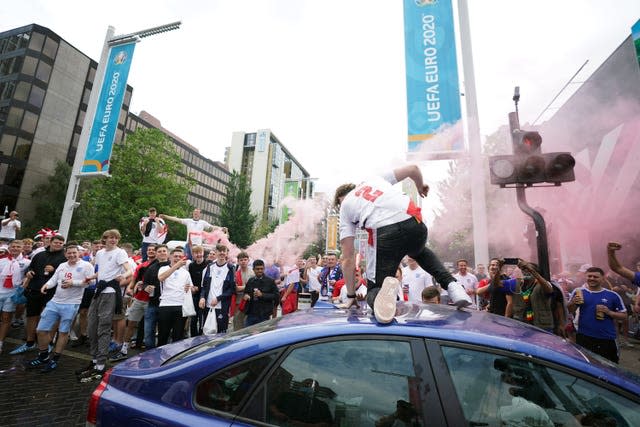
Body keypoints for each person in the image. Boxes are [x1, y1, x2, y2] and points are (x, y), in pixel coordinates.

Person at [334, 164, 471, 323]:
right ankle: (454, 287)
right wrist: (420, 187)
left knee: (374, 287)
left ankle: (383, 298)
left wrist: (351, 295)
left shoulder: (345, 207)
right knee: (418, 252)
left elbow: (347, 258)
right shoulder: (375, 179)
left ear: (341, 201)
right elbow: (413, 169)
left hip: (385, 233)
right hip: (415, 223)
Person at [25, 243, 94, 372]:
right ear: (65, 254)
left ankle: (55, 359)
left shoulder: (86, 266)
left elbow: (92, 283)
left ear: (79, 253)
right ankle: (44, 356)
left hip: (71, 304)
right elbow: (54, 280)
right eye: (69, 253)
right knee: (40, 330)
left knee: (63, 332)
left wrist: (74, 283)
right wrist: (46, 285)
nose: (72, 255)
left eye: (74, 252)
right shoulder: (62, 265)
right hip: (55, 301)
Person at [77, 229, 132, 382]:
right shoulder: (100, 253)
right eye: (110, 238)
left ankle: (101, 366)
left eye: (116, 238)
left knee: (103, 328)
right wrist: (91, 277)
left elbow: (129, 270)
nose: (113, 240)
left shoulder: (120, 253)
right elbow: (102, 271)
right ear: (105, 239)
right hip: (98, 290)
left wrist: (123, 275)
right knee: (91, 326)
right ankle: (94, 361)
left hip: (110, 293)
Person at [10, 234, 66, 355]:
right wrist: (29, 272)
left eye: (61, 243)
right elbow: (30, 267)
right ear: (50, 242)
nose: (58, 245)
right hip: (35, 289)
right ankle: (30, 342)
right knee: (31, 316)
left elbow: (67, 273)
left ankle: (49, 343)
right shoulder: (39, 255)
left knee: (49, 317)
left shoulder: (64, 257)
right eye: (56, 242)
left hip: (53, 292)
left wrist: (54, 270)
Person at [568, 266, 627, 363]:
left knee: (610, 367)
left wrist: (609, 312)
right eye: (589, 276)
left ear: (603, 279)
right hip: (584, 336)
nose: (591, 278)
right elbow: (570, 310)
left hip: (606, 338)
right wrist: (573, 302)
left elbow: (624, 316)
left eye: (595, 277)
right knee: (587, 365)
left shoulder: (612, 295)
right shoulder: (579, 292)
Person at [157, 247, 193, 346]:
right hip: (165, 305)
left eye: (180, 257)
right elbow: (161, 278)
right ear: (170, 257)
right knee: (163, 335)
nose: (177, 258)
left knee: (177, 336)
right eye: (175, 256)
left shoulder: (186, 272)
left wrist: (190, 288)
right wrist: (175, 266)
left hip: (180, 306)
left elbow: (192, 288)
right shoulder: (163, 268)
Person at [0, 240, 30, 354]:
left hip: (11, 294)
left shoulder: (27, 262)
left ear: (22, 249)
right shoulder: (1, 260)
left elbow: (30, 275)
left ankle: (1, 343)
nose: (15, 248)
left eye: (18, 246)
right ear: (9, 247)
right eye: (13, 246)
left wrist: (24, 285)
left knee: (6, 319)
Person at [199, 243, 234, 334]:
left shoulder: (230, 268)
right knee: (207, 333)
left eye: (224, 251)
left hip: (221, 306)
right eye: (220, 251)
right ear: (216, 252)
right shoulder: (210, 267)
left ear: (227, 253)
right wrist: (202, 297)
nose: (222, 253)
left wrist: (218, 298)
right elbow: (204, 286)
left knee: (220, 334)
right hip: (208, 305)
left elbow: (231, 290)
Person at [243, 259, 279, 326]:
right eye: (257, 269)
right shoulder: (250, 281)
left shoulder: (270, 281)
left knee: (262, 335)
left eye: (261, 269)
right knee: (248, 334)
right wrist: (246, 295)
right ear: (253, 269)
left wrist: (262, 295)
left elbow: (276, 296)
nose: (260, 271)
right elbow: (246, 292)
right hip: (251, 313)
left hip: (264, 314)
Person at [187, 245, 208, 337]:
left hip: (204, 295)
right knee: (193, 317)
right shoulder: (191, 265)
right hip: (194, 294)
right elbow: (189, 279)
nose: (198, 255)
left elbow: (208, 281)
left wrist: (198, 288)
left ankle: (201, 336)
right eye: (196, 253)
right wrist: (192, 287)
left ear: (203, 253)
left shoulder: (208, 265)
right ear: (193, 254)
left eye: (200, 252)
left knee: (202, 316)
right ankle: (193, 336)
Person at [231, 251, 253, 331]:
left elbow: (254, 287)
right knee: (237, 322)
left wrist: (242, 287)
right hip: (238, 301)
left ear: (248, 260)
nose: (243, 261)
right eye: (241, 260)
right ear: (238, 261)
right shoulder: (236, 273)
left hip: (249, 301)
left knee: (247, 323)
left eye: (245, 259)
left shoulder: (252, 272)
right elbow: (235, 288)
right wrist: (247, 286)